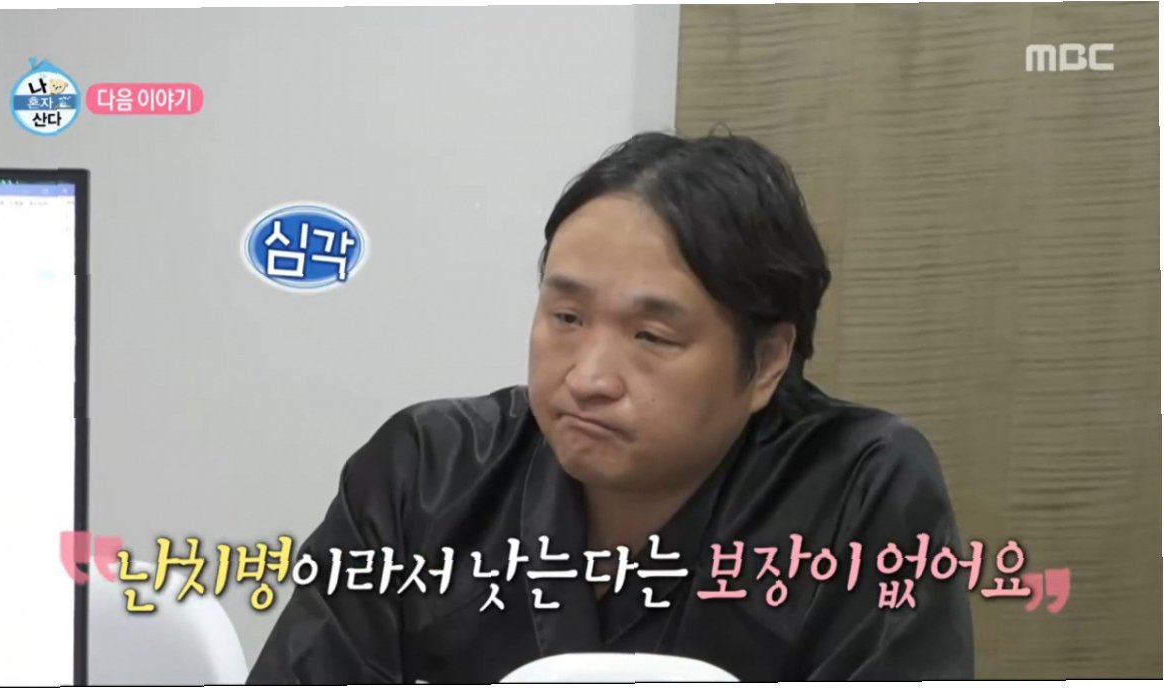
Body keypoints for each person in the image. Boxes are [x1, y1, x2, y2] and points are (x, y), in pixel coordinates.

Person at [246, 132, 975, 683]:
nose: (589, 377)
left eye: (652, 336)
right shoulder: (426, 472)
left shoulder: (859, 489)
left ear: (766, 362)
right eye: (565, 318)